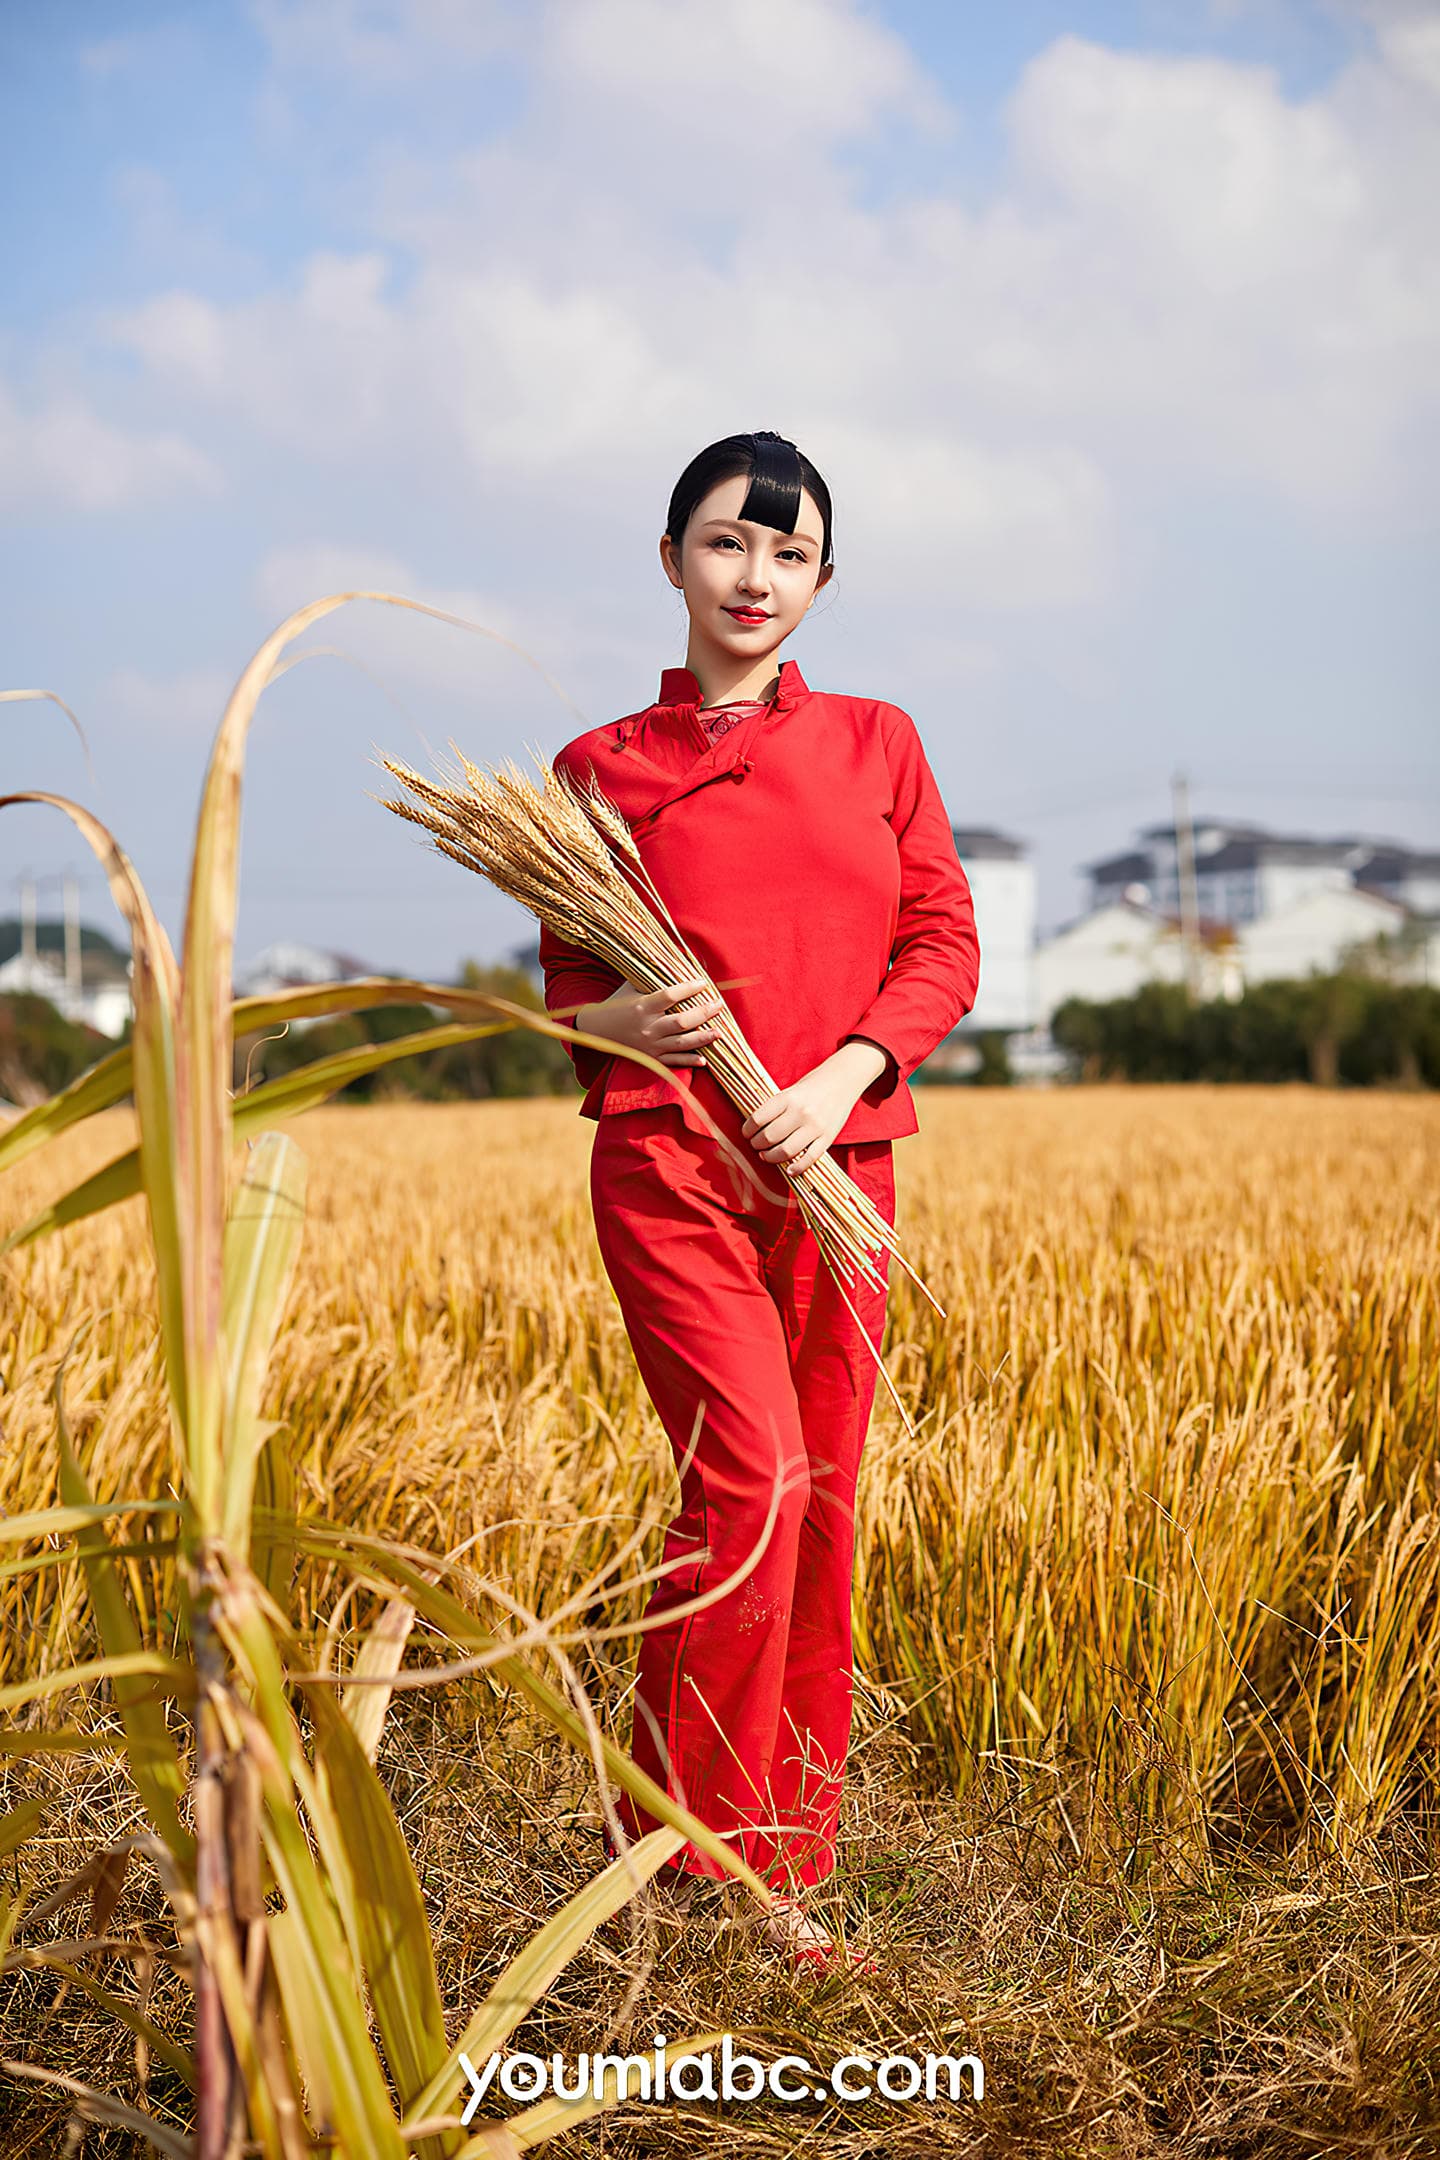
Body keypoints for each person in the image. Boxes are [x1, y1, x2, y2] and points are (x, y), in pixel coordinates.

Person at [538, 429, 980, 1967]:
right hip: (672, 1161)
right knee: (751, 1486)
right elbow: (566, 998)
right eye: (729, 542)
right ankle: (705, 1868)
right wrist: (627, 1021)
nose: (756, 576)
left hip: (838, 1165)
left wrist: (843, 1077)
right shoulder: (596, 768)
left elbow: (942, 944)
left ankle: (764, 1852)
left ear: (822, 581)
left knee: (826, 1502)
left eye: (790, 555)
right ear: (671, 559)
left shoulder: (878, 743)